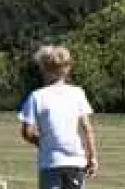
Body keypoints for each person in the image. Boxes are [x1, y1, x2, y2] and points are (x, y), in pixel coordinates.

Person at [17, 45, 99, 189]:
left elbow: (27, 132)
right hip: (75, 162)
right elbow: (87, 128)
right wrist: (92, 157)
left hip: (50, 163)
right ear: (67, 69)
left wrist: (44, 142)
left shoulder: (37, 97)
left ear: (44, 69)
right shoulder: (78, 93)